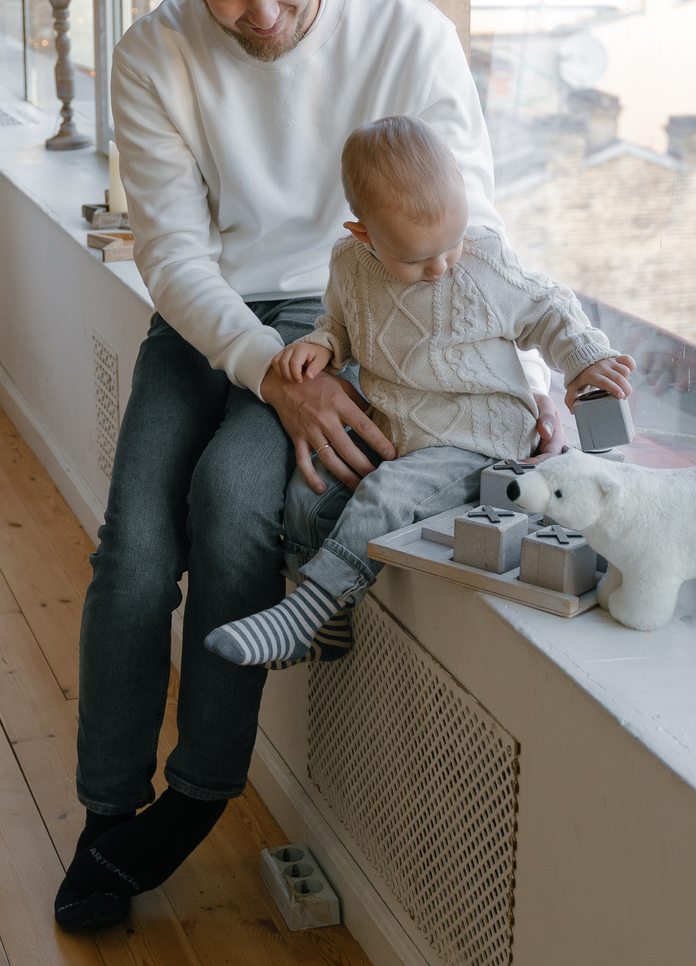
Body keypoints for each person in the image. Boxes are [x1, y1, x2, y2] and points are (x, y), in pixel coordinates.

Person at [56, 0, 565, 933]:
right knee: (133, 553)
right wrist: (263, 373)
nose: (265, 13)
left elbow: (460, 232)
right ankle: (108, 810)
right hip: (210, 327)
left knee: (232, 504)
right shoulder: (153, 55)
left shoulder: (405, 34)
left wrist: (529, 373)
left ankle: (196, 794)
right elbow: (172, 253)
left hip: (360, 320)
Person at [203, 115, 636, 669]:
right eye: (414, 259)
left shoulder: (482, 261)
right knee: (306, 497)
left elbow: (547, 308)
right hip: (404, 432)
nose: (439, 267)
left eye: (450, 244)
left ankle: (304, 611)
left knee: (388, 498)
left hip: (480, 437)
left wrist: (584, 360)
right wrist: (325, 346)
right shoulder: (349, 265)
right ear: (364, 235)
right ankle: (328, 623)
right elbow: (342, 321)